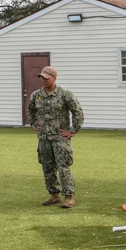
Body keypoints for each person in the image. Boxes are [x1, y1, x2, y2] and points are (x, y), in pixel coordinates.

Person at [28, 66, 84, 209]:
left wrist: (72, 131)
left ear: (54, 78)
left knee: (63, 167)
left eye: (46, 78)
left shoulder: (65, 94)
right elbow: (31, 110)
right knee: (47, 167)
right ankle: (54, 195)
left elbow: (77, 112)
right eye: (41, 78)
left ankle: (69, 197)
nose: (43, 80)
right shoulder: (36, 95)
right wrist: (35, 124)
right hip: (44, 138)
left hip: (60, 138)